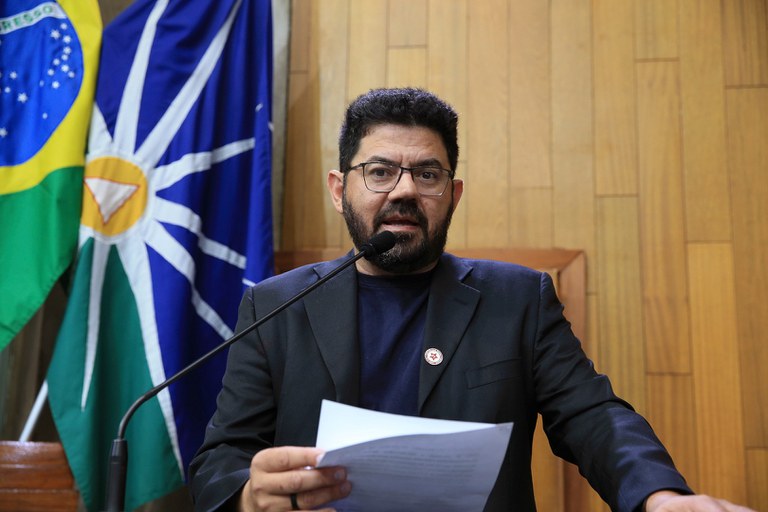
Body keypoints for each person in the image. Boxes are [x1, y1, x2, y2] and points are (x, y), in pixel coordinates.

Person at [189, 88, 754, 512]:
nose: (405, 190)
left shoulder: (518, 299)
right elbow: (221, 457)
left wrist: (659, 496)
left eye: (427, 174)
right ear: (340, 190)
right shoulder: (276, 305)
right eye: (380, 172)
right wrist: (248, 496)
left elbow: (592, 416)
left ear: (452, 194)